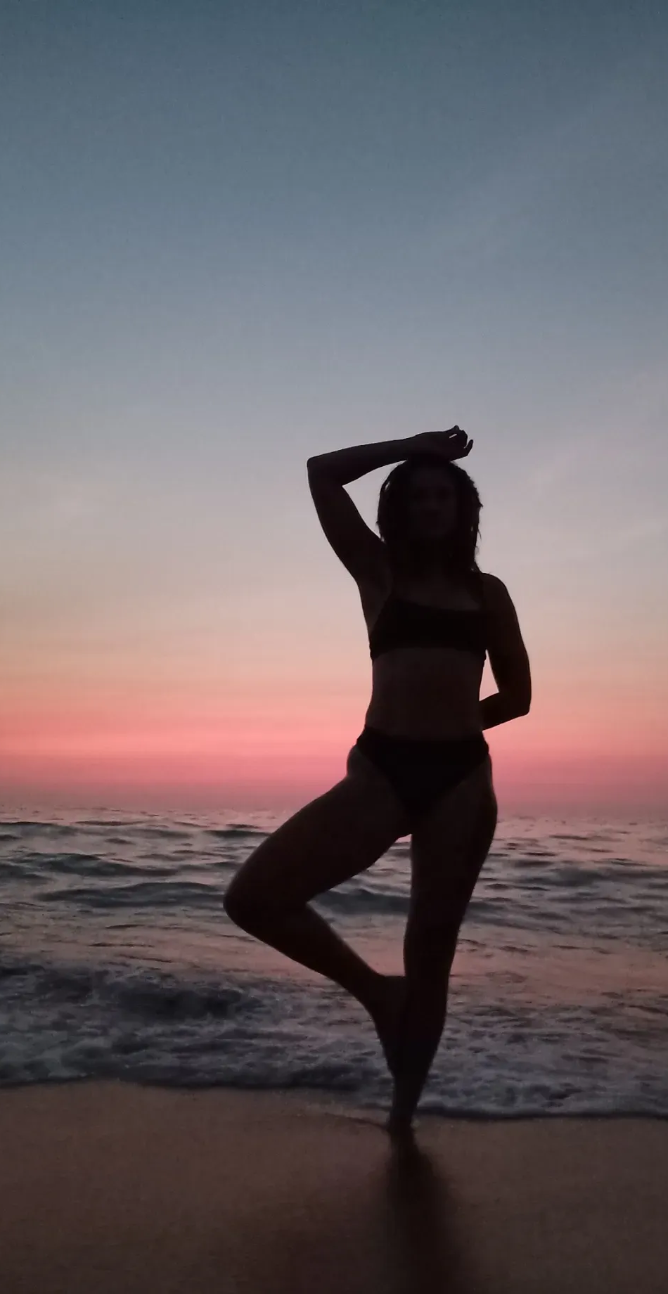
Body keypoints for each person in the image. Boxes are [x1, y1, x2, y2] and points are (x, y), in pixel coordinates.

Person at [223, 427, 532, 1134]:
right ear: (401, 507)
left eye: (442, 497)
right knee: (254, 898)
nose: (430, 507)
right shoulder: (377, 572)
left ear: (463, 511)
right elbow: (322, 473)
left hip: (459, 778)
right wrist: (413, 446)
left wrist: (453, 717)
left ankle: (403, 1118)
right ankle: (374, 995)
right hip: (381, 767)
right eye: (418, 496)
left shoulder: (488, 594)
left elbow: (517, 698)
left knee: (431, 951)